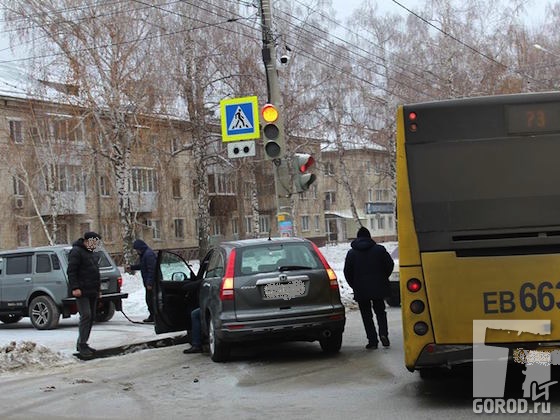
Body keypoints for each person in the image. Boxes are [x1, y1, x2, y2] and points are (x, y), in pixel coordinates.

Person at [343, 226, 394, 350]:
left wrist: (354, 285)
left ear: (358, 237)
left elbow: (347, 272)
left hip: (361, 289)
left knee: (366, 315)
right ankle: (383, 334)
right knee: (380, 312)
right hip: (378, 287)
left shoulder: (351, 253)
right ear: (369, 237)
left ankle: (372, 341)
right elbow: (390, 264)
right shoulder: (380, 250)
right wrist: (383, 278)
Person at [67, 231, 103, 358]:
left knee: (91, 316)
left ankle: (83, 342)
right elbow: (71, 271)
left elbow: (95, 273)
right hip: (81, 291)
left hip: (92, 290)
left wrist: (98, 290)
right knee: (86, 315)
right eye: (95, 242)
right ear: (87, 241)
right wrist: (75, 287)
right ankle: (82, 345)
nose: (96, 245)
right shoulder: (76, 251)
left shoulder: (91, 253)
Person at [128, 239, 157, 323]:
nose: (136, 252)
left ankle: (154, 316)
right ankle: (153, 315)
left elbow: (152, 270)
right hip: (148, 282)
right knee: (149, 299)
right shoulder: (145, 254)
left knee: (151, 300)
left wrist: (149, 283)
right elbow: (143, 266)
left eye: (137, 250)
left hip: (152, 283)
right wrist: (132, 267)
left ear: (140, 248)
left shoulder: (148, 255)